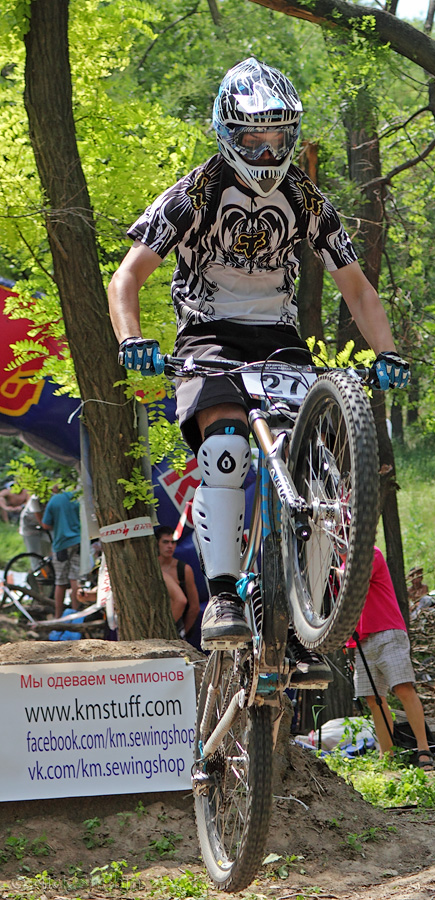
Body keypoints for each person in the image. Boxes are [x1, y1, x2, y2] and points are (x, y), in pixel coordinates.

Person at [108, 57, 409, 675]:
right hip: (208, 337)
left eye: (279, 138)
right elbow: (127, 278)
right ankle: (221, 596)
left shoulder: (305, 197)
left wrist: (389, 353)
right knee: (225, 445)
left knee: (318, 459)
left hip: (278, 336)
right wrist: (131, 339)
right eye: (254, 139)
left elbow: (357, 288)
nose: (268, 152)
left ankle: (309, 601)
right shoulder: (193, 194)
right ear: (228, 132)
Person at [349, 547, 435, 770]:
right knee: (372, 698)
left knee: (403, 688)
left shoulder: (371, 553)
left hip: (388, 631)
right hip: (363, 638)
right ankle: (385, 756)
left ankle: (424, 750)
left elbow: (356, 577)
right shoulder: (336, 568)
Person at [41, 484, 81, 618]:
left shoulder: (54, 500)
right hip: (78, 542)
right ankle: (76, 615)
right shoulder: (77, 498)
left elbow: (46, 524)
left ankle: (58, 616)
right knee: (75, 578)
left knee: (61, 581)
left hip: (61, 545)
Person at [155, 525, 201, 641]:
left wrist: (182, 631)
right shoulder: (151, 569)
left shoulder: (184, 569)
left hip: (175, 628)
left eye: (173, 542)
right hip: (152, 625)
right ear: (157, 543)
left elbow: (194, 607)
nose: (170, 546)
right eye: (165, 542)